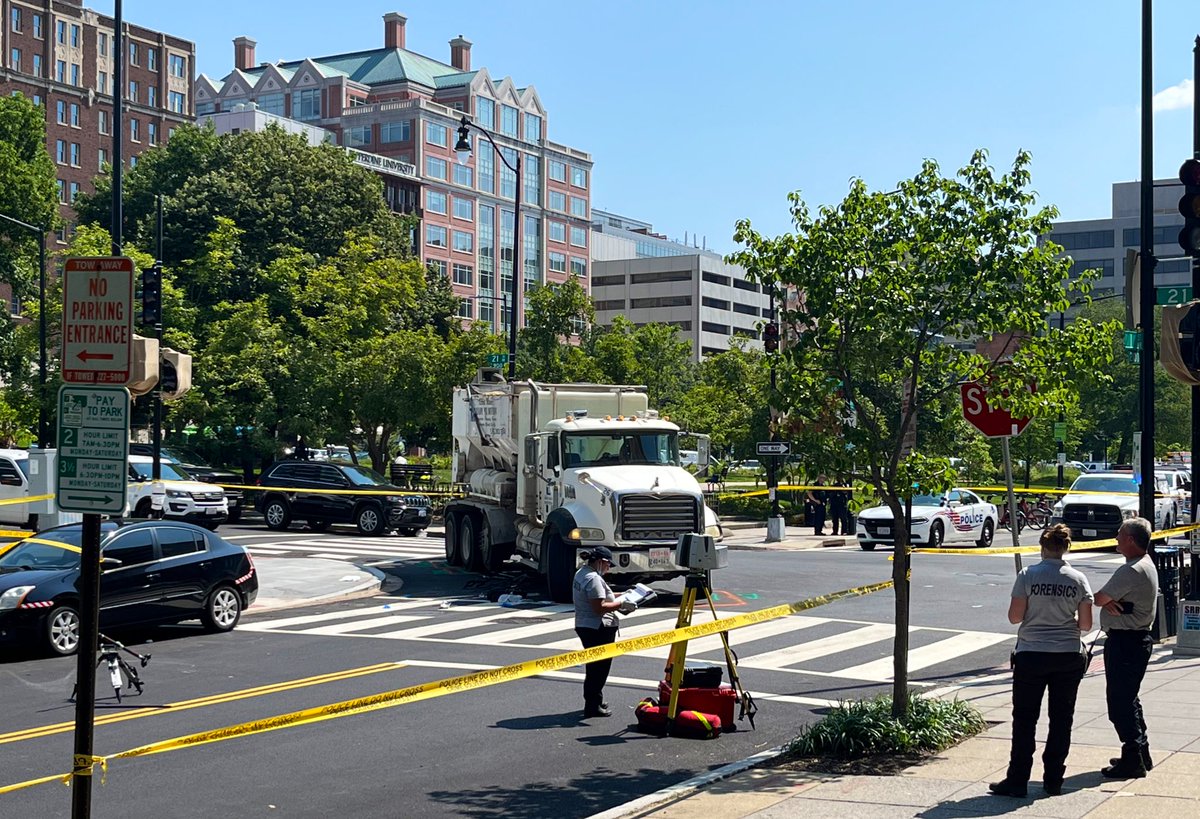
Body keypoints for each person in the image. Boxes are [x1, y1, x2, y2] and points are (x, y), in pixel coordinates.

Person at [989, 524, 1093, 798]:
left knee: (1024, 719)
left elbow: (1015, 617)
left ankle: (1018, 779)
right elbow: (1085, 624)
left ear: (1042, 547)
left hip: (1031, 654)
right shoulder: (1078, 579)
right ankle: (1054, 779)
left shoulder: (1027, 575)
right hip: (1067, 655)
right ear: (1067, 547)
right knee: (1061, 719)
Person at [1094, 517, 1158, 779]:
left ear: (1130, 540)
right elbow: (1107, 600)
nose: (1116, 538)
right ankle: (1140, 753)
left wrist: (1107, 602)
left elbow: (1099, 597)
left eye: (1120, 534)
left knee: (1119, 703)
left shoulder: (1130, 571)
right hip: (1135, 641)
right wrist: (1111, 602)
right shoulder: (1144, 564)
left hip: (1126, 642)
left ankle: (1132, 758)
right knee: (1129, 699)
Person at [573, 546, 635, 718]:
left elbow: (600, 598)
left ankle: (595, 699)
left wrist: (621, 595)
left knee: (595, 667)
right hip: (597, 627)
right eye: (609, 566)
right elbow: (599, 607)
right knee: (599, 669)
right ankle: (592, 705)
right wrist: (621, 604)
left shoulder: (582, 573)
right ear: (602, 562)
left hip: (585, 624)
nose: (609, 569)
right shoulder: (593, 578)